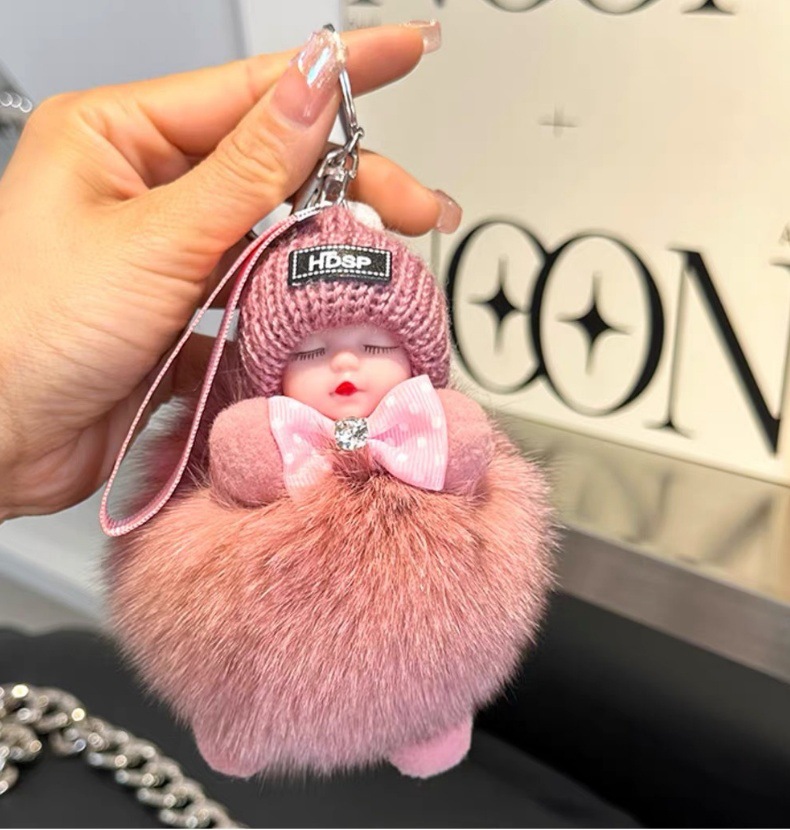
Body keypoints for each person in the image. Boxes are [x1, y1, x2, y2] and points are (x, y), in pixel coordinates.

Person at [0, 21, 461, 523]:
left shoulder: (440, 443)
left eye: (375, 346)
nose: (345, 365)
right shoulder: (257, 449)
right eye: (309, 352)